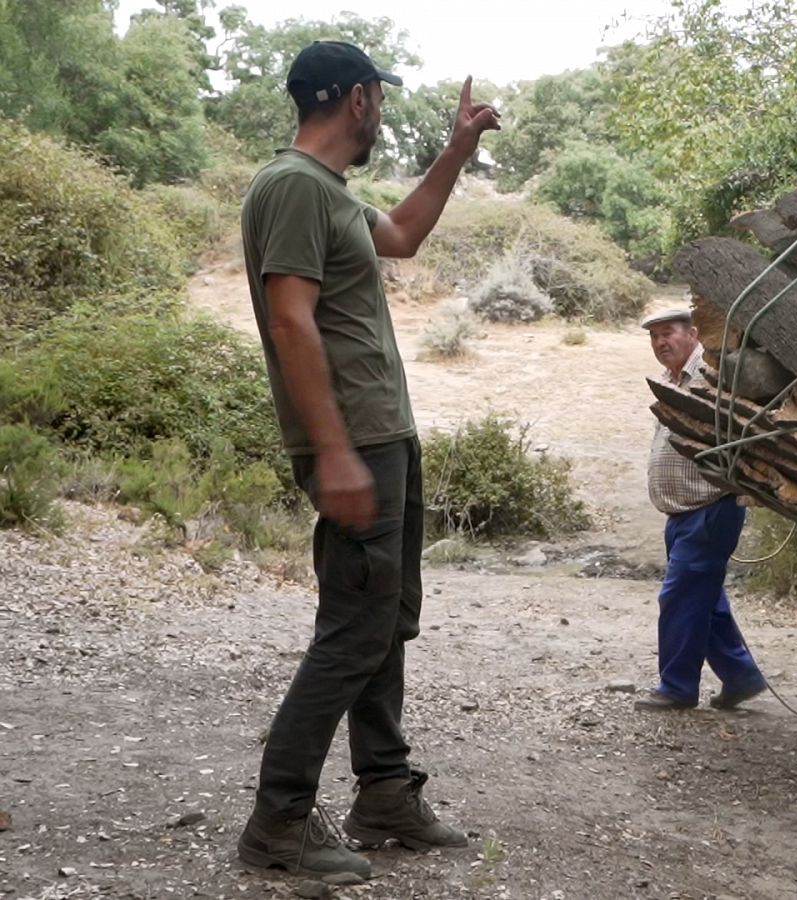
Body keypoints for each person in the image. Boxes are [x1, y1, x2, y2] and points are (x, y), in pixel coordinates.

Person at [235, 40, 499, 878]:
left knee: (387, 620)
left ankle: (384, 793)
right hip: (354, 443)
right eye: (377, 97)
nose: (379, 110)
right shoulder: (290, 188)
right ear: (356, 99)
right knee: (354, 628)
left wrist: (457, 150)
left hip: (385, 436)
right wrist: (335, 451)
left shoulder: (331, 196)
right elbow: (290, 321)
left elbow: (406, 237)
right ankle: (279, 819)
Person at [634, 309, 768, 712]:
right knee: (704, 599)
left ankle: (676, 688)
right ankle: (741, 678)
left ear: (693, 334)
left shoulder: (713, 377)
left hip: (711, 509)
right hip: (679, 513)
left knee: (679, 596)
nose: (661, 342)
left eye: (669, 333)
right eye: (654, 336)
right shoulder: (667, 382)